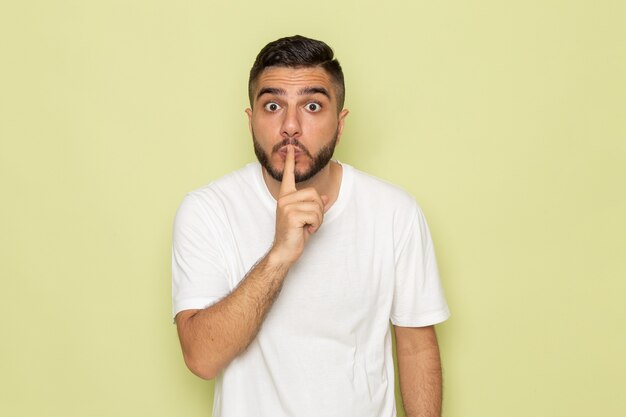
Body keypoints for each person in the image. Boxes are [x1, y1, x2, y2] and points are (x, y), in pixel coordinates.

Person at [172, 35, 450, 417]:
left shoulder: (394, 211)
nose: (290, 126)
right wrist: (280, 254)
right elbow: (201, 358)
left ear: (340, 123)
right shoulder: (207, 210)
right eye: (273, 106)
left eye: (313, 106)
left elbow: (416, 346)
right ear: (251, 120)